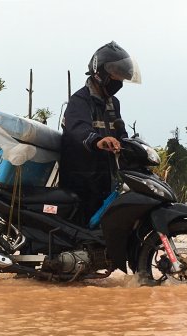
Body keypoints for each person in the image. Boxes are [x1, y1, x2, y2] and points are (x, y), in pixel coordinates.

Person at [59, 41, 141, 227]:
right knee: (84, 227)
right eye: (116, 74)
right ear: (101, 73)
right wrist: (97, 140)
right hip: (81, 177)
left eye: (122, 76)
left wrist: (132, 147)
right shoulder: (80, 100)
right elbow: (78, 128)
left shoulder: (114, 104)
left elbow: (121, 133)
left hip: (105, 177)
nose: (119, 81)